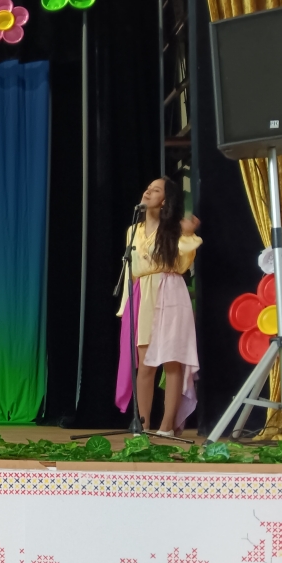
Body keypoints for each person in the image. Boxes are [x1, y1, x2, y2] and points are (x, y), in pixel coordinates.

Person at [115, 177, 202, 436]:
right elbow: (130, 271)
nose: (148, 192)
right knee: (145, 364)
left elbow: (182, 263)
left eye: (155, 190)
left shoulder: (175, 228)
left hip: (170, 290)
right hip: (143, 294)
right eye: (148, 188)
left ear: (164, 200)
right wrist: (126, 305)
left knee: (172, 362)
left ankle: (166, 427)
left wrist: (187, 233)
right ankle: (142, 425)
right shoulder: (133, 230)